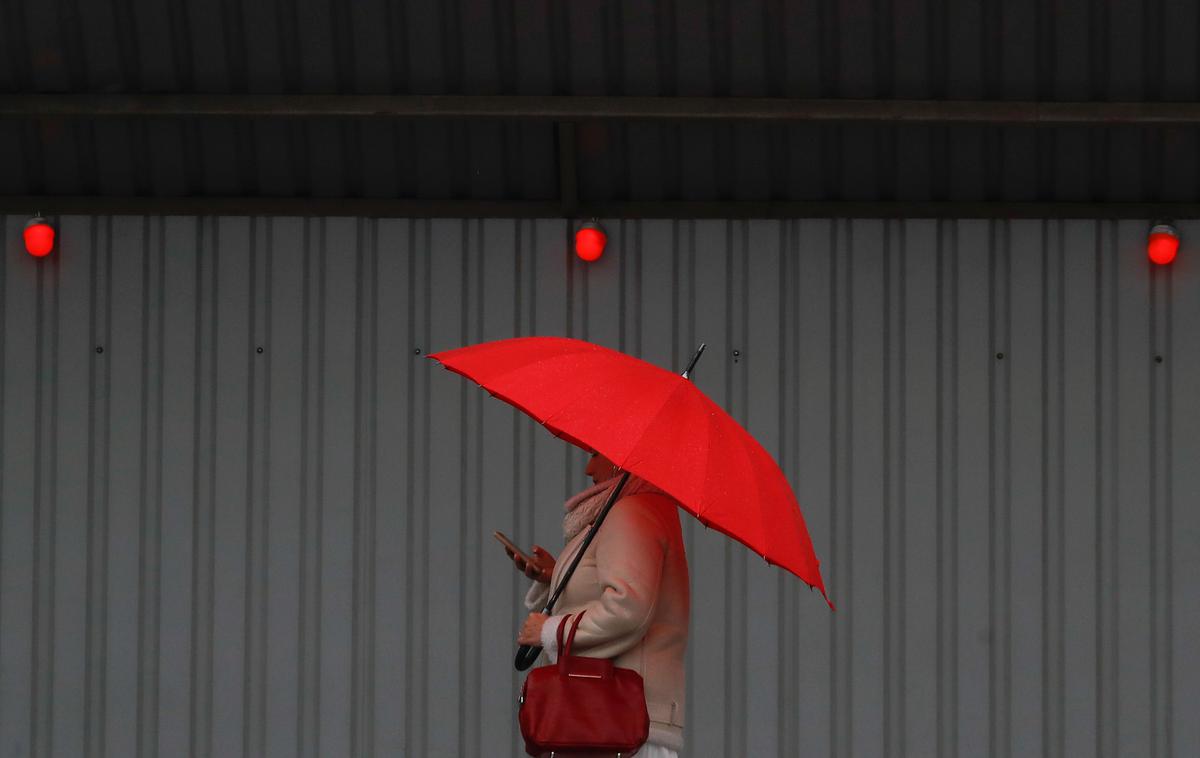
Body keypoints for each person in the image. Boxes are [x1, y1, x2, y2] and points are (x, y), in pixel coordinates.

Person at [507, 451, 690, 758]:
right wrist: (557, 575)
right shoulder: (636, 509)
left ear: (621, 460)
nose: (587, 468)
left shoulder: (631, 511)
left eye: (595, 455)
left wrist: (550, 631)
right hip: (617, 722)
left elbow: (628, 607)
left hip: (615, 723)